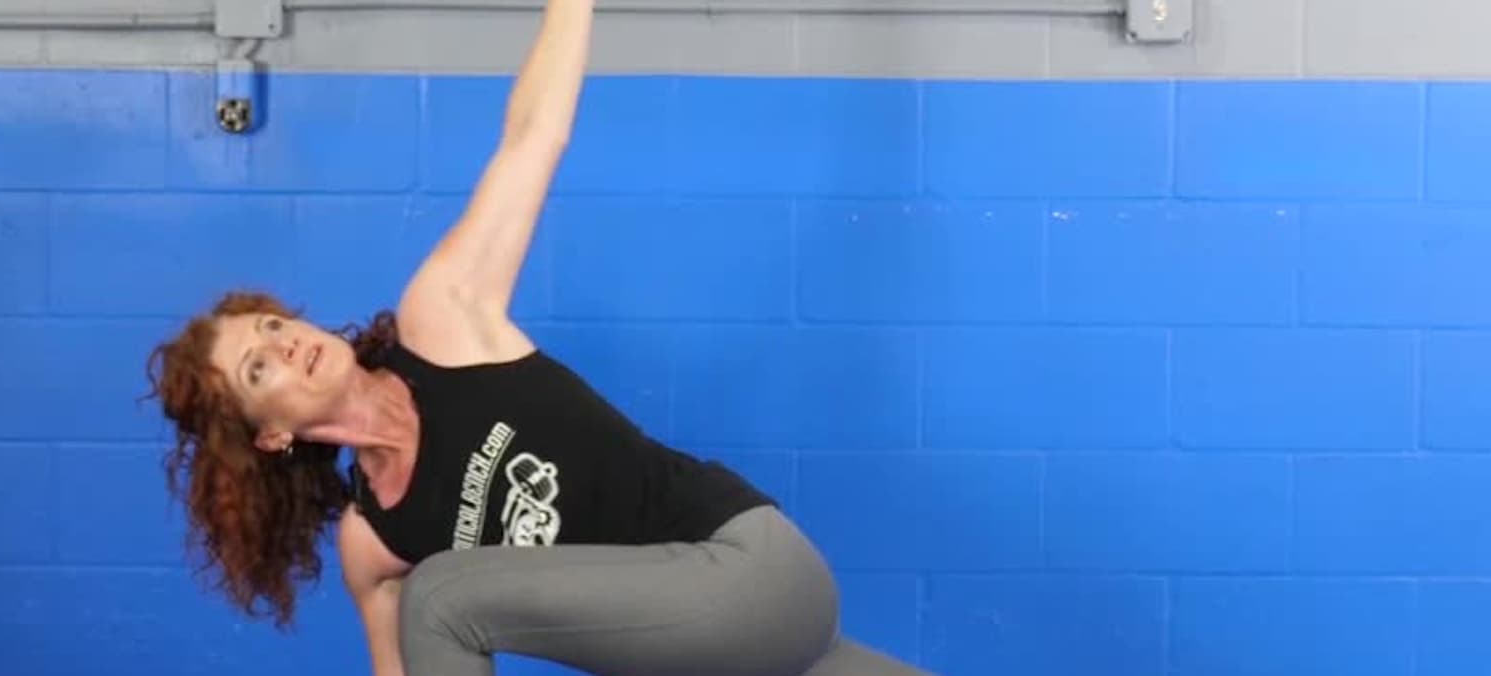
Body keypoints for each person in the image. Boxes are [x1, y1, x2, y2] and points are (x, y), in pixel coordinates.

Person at [145, 0, 928, 673]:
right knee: (433, 600)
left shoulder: (442, 325)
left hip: (746, 567)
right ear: (270, 435)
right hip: (728, 649)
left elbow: (532, 137)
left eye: (273, 325)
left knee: (442, 598)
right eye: (257, 370)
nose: (285, 343)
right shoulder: (374, 541)